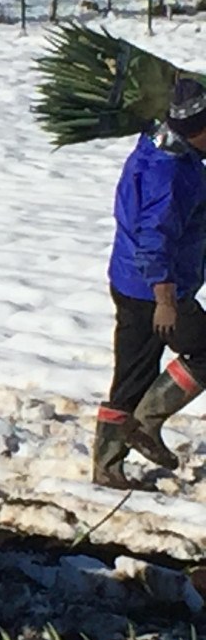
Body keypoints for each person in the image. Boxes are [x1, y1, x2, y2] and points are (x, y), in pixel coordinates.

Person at [91, 77, 206, 489]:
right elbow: (155, 236)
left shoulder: (159, 142)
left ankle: (109, 462)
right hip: (153, 290)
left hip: (133, 280)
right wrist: (165, 299)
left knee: (134, 371)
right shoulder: (170, 174)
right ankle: (143, 425)